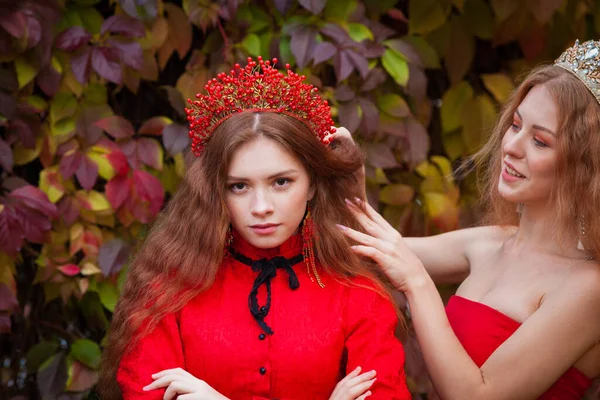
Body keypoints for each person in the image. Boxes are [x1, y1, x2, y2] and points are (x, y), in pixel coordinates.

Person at [98, 57, 411, 400]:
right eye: (239, 186)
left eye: (280, 182)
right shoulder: (169, 286)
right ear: (215, 190)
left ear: (311, 184)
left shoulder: (356, 290)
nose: (261, 207)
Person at [337, 39, 600, 399]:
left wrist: (417, 282)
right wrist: (350, 188)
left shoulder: (589, 287)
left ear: (586, 169)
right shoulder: (492, 242)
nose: (511, 146)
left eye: (539, 141)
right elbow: (363, 253)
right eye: (516, 125)